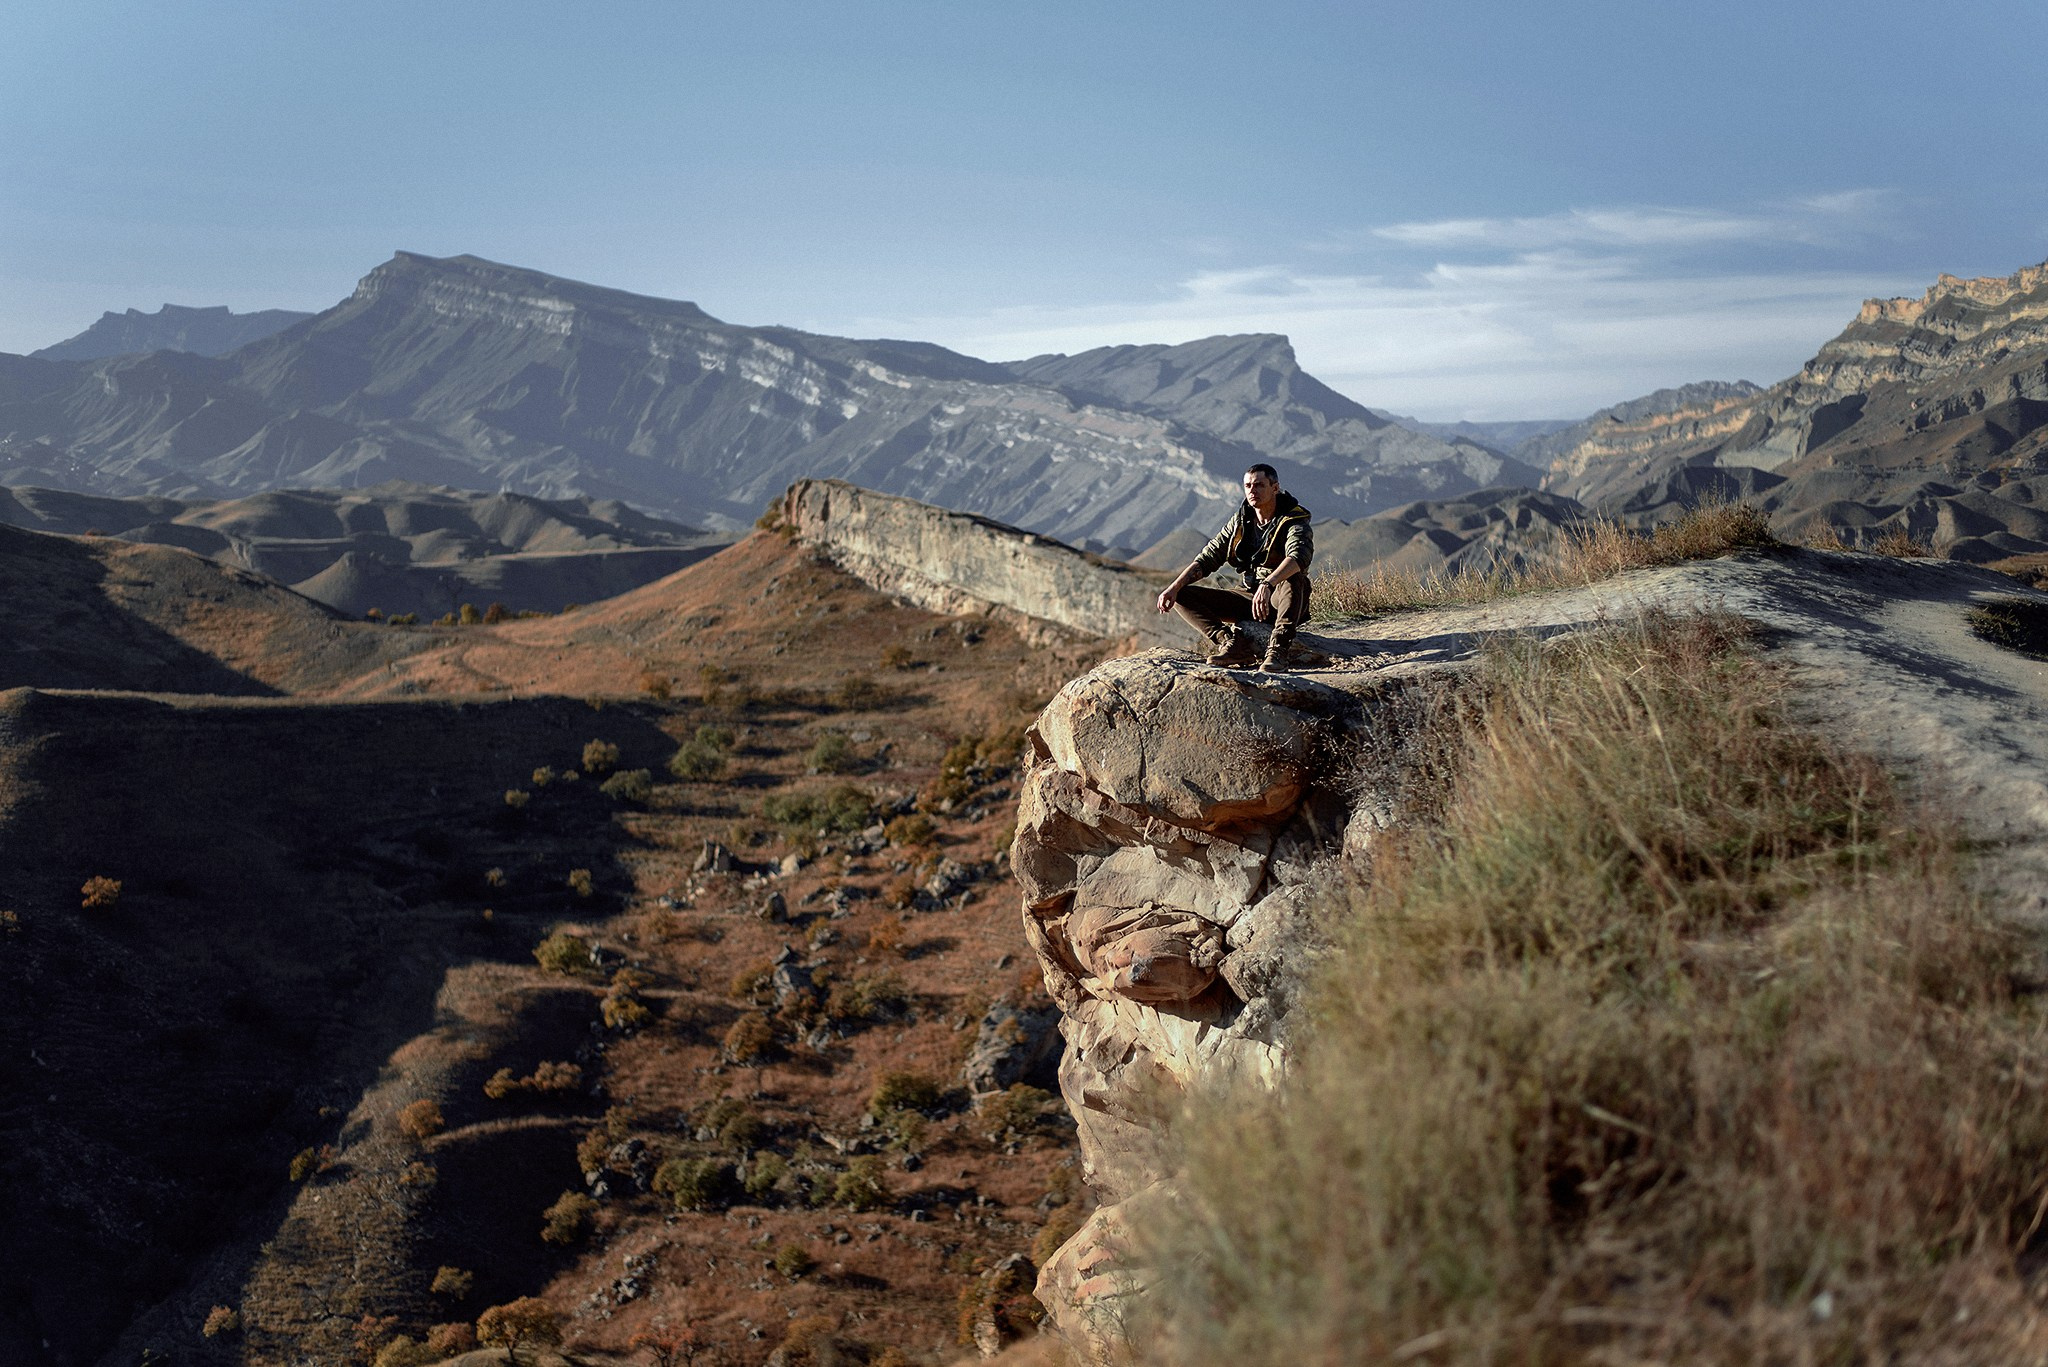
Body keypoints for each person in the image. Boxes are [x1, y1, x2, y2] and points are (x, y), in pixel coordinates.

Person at [1155, 463, 1313, 671]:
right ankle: (1231, 644)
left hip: (1281, 599)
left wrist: (1268, 584)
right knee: (1182, 595)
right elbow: (1209, 557)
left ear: (1275, 488)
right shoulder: (1241, 521)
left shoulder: (1293, 520)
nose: (1252, 491)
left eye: (1259, 485)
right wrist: (1173, 587)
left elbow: (1298, 557)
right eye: (1248, 486)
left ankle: (1278, 649)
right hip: (1249, 595)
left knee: (1294, 578)